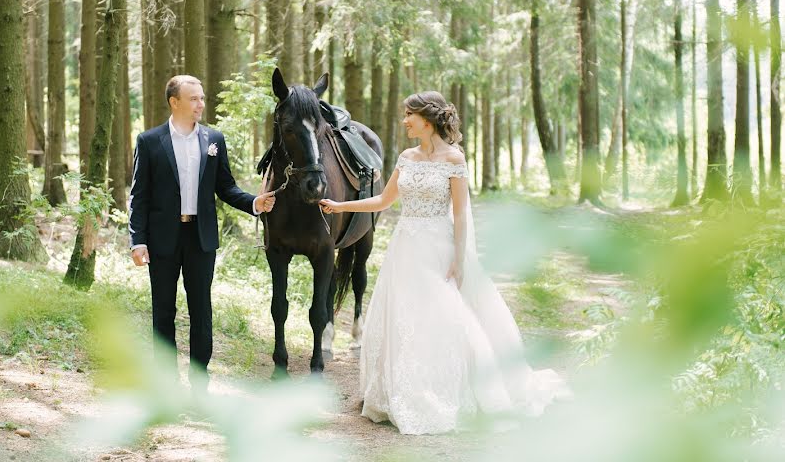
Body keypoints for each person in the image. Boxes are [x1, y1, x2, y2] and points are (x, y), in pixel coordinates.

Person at [319, 91, 568, 434]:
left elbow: (461, 212)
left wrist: (461, 258)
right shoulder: (406, 156)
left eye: (409, 115)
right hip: (405, 249)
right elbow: (383, 200)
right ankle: (402, 390)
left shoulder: (453, 159)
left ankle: (454, 390)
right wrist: (340, 206)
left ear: (427, 119)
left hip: (439, 247)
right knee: (406, 318)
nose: (404, 121)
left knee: (449, 317)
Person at [129, 75, 276, 391]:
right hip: (162, 240)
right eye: (194, 98)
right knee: (163, 313)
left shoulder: (214, 140)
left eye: (202, 98)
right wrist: (137, 240)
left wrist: (255, 202)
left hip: (201, 238)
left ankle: (199, 386)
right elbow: (138, 195)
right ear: (175, 102)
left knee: (201, 311)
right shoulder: (149, 141)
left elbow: (225, 187)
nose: (201, 104)